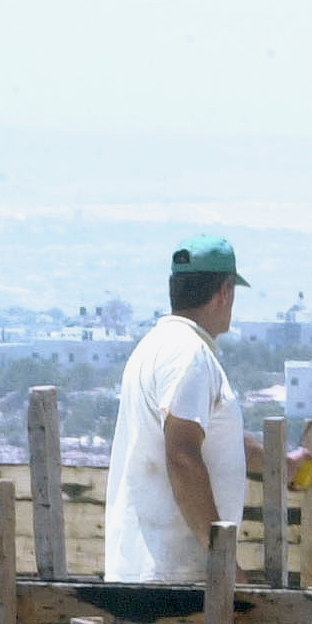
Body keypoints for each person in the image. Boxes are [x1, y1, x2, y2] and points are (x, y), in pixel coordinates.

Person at [105, 233, 266, 583]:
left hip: (148, 574)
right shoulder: (189, 355)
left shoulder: (156, 346)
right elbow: (183, 457)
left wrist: (279, 463)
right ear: (224, 292)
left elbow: (206, 438)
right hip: (173, 581)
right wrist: (225, 564)